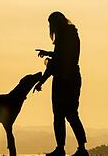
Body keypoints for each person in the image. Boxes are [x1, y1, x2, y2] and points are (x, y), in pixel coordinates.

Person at [34, 11, 88, 156]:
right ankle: (81, 148)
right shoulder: (72, 34)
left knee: (60, 115)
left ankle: (61, 148)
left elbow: (57, 62)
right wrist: (49, 53)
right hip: (73, 77)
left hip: (63, 80)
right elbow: (63, 55)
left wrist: (41, 82)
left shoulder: (63, 35)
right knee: (71, 114)